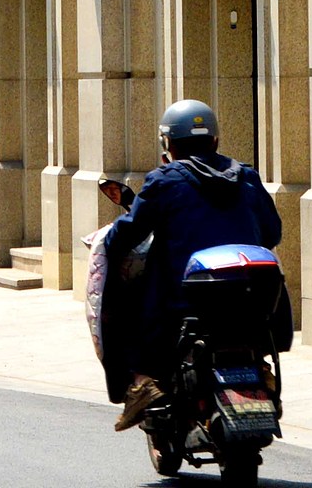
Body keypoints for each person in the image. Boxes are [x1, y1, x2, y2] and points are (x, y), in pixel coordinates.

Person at [108, 99, 281, 432]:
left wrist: (108, 244)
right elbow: (272, 232)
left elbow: (129, 231)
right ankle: (262, 374)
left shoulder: (164, 181)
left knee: (128, 308)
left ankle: (143, 382)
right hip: (249, 304)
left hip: (182, 303)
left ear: (168, 144)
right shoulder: (246, 176)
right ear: (215, 139)